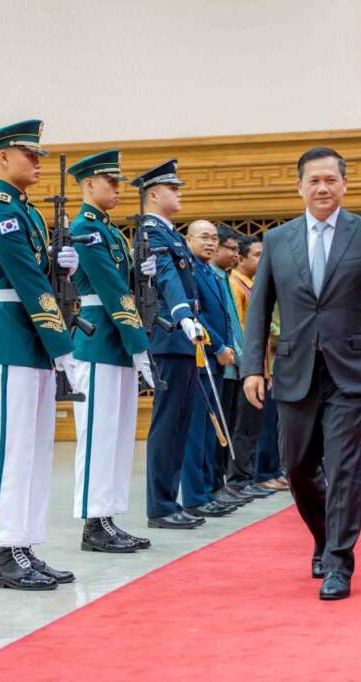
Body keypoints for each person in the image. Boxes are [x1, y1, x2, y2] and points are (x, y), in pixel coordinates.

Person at [241, 147, 361, 601]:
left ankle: (339, 561)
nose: (322, 188)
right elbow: (259, 306)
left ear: (344, 184)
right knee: (297, 467)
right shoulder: (277, 240)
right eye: (314, 181)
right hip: (295, 368)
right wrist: (252, 367)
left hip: (350, 370)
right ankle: (323, 536)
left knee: (343, 466)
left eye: (330, 180)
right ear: (299, 186)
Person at [0, 120, 80, 590]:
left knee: (34, 448)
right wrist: (62, 344)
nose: (37, 162)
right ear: (4, 157)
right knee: (10, 448)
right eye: (29, 154)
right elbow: (28, 282)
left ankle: (25, 544)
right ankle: (5, 552)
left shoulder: (26, 212)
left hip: (31, 339)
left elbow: (41, 276)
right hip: (10, 337)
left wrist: (62, 267)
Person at [66, 149, 157, 553]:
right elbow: (110, 289)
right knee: (97, 434)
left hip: (117, 339)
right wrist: (139, 344)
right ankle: (93, 521)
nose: (118, 188)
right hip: (98, 339)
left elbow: (126, 286)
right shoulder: (85, 229)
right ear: (88, 184)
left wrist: (142, 275)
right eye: (111, 181)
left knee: (118, 435)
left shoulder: (111, 231)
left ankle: (108, 516)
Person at [136, 160, 209, 530]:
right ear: (153, 194)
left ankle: (171, 500)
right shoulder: (151, 232)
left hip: (182, 337)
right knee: (168, 422)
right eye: (172, 188)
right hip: (168, 336)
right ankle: (161, 505)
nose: (178, 194)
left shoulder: (170, 233)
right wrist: (183, 316)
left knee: (180, 422)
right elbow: (166, 278)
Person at [179, 220, 240, 518]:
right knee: (196, 432)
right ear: (188, 240)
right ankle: (194, 496)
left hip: (215, 361)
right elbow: (195, 316)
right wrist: (218, 346)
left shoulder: (210, 272)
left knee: (209, 431)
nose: (210, 243)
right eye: (204, 237)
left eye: (214, 238)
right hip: (200, 357)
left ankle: (207, 491)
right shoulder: (189, 271)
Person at [226, 236, 285, 493]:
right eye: (257, 255)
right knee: (246, 426)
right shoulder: (235, 284)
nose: (263, 260)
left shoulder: (253, 284)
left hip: (264, 364)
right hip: (248, 366)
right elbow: (242, 328)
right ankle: (248, 478)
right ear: (241, 258)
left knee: (262, 424)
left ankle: (263, 473)